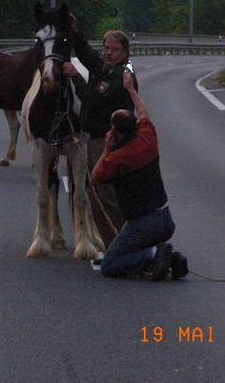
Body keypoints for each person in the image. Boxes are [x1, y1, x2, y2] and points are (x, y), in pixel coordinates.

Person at [91, 71, 188, 280]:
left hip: (144, 224)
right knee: (125, 248)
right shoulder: (147, 138)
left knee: (109, 264)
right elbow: (143, 113)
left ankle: (154, 255)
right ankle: (167, 259)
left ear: (115, 132)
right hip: (165, 219)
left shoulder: (117, 160)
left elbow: (95, 177)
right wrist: (131, 90)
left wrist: (107, 148)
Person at [63, 24, 137, 247]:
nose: (108, 52)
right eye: (106, 48)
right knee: (100, 193)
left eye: (114, 49)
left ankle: (118, 243)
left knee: (102, 195)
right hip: (97, 140)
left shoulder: (121, 75)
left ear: (125, 53)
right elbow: (89, 56)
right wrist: (75, 32)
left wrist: (75, 76)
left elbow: (92, 98)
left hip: (109, 142)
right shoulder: (107, 67)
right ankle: (117, 243)